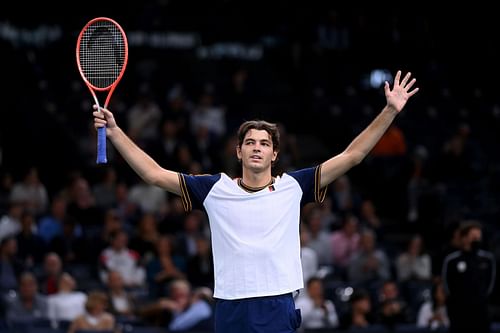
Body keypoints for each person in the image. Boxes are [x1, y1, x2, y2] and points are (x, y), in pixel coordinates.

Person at [93, 70, 418, 333]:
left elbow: (353, 155)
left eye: (264, 143)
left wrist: (389, 110)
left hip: (276, 305)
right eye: (249, 142)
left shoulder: (294, 186)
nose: (257, 147)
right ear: (239, 152)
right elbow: (154, 174)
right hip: (231, 306)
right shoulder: (214, 188)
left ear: (275, 153)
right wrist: (116, 132)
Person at [442, 220, 496, 333]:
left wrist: (479, 299)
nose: (477, 238)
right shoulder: (452, 260)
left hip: (481, 312)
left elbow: (491, 284)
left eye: (478, 235)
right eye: (474, 235)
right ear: (464, 238)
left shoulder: (488, 259)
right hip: (459, 313)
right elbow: (447, 286)